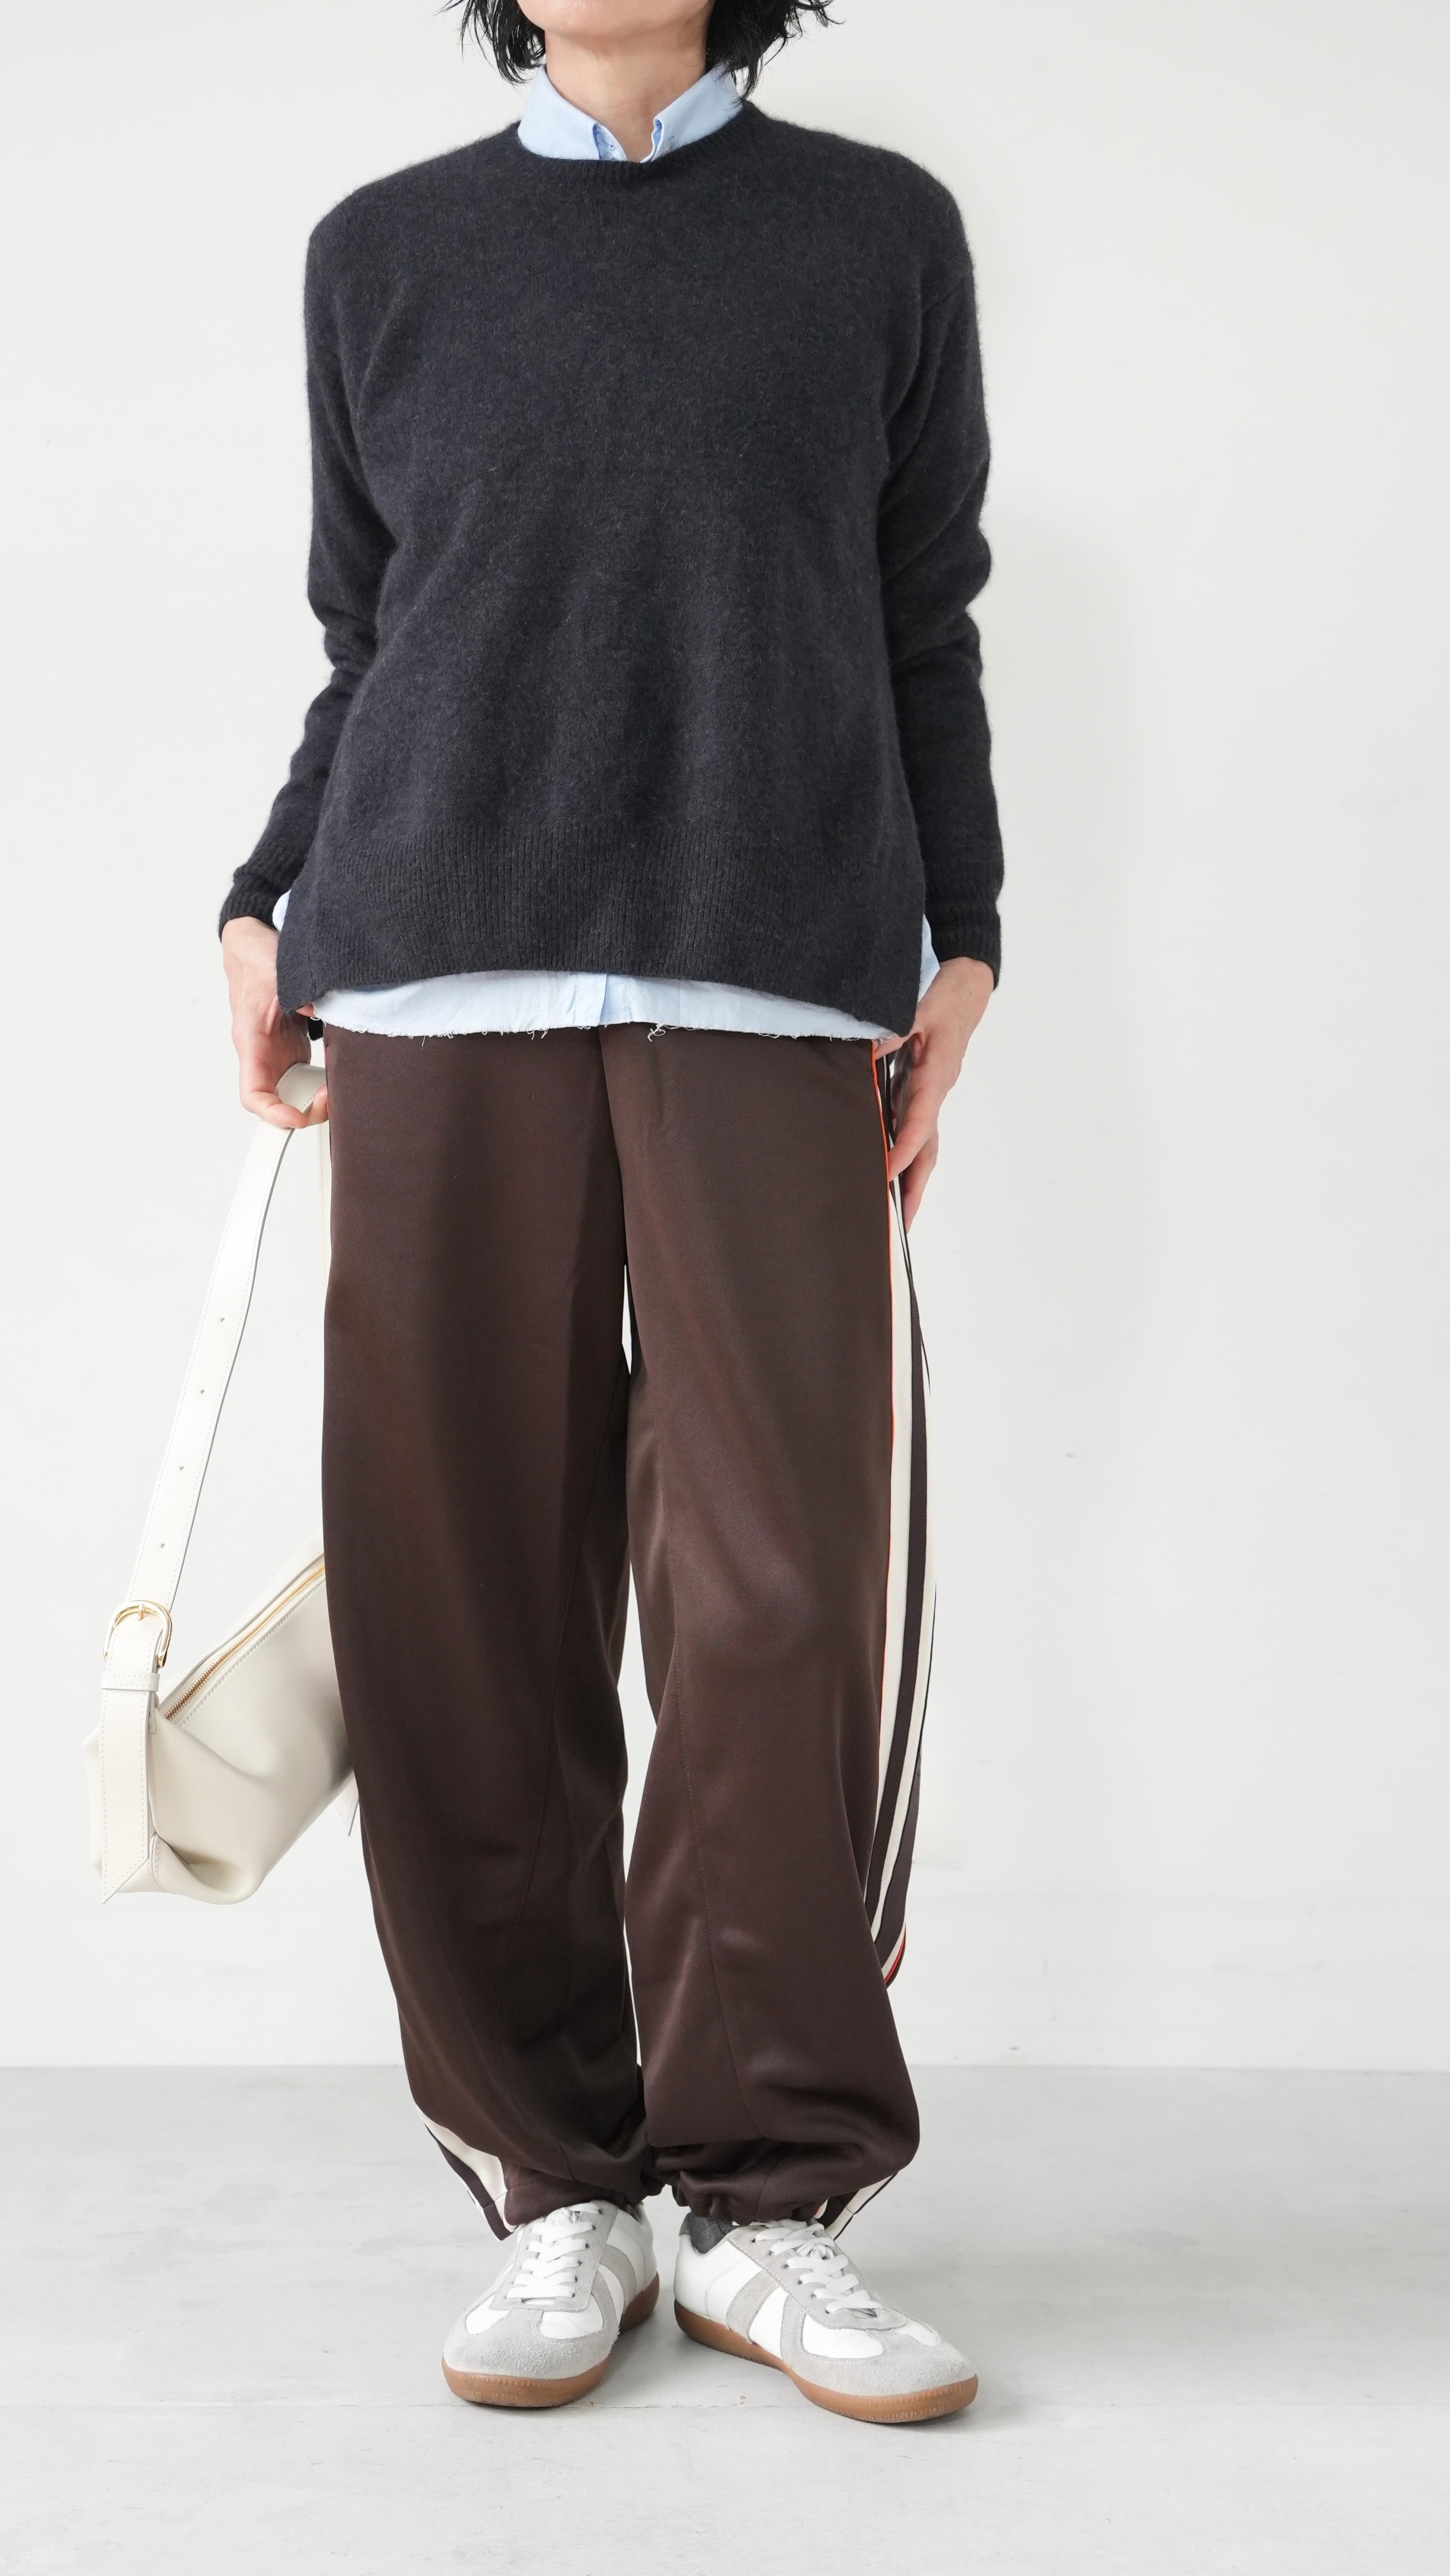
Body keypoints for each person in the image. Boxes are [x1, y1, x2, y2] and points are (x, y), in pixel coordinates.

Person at [220, 0, 1001, 2428]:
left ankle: (763, 2200)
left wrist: (964, 935)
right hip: (432, 974)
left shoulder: (875, 234)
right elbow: (372, 638)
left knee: (778, 1592)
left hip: (773, 980)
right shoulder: (383, 254)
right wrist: (265, 894)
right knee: (460, 1594)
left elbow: (919, 610)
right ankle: (551, 2179)